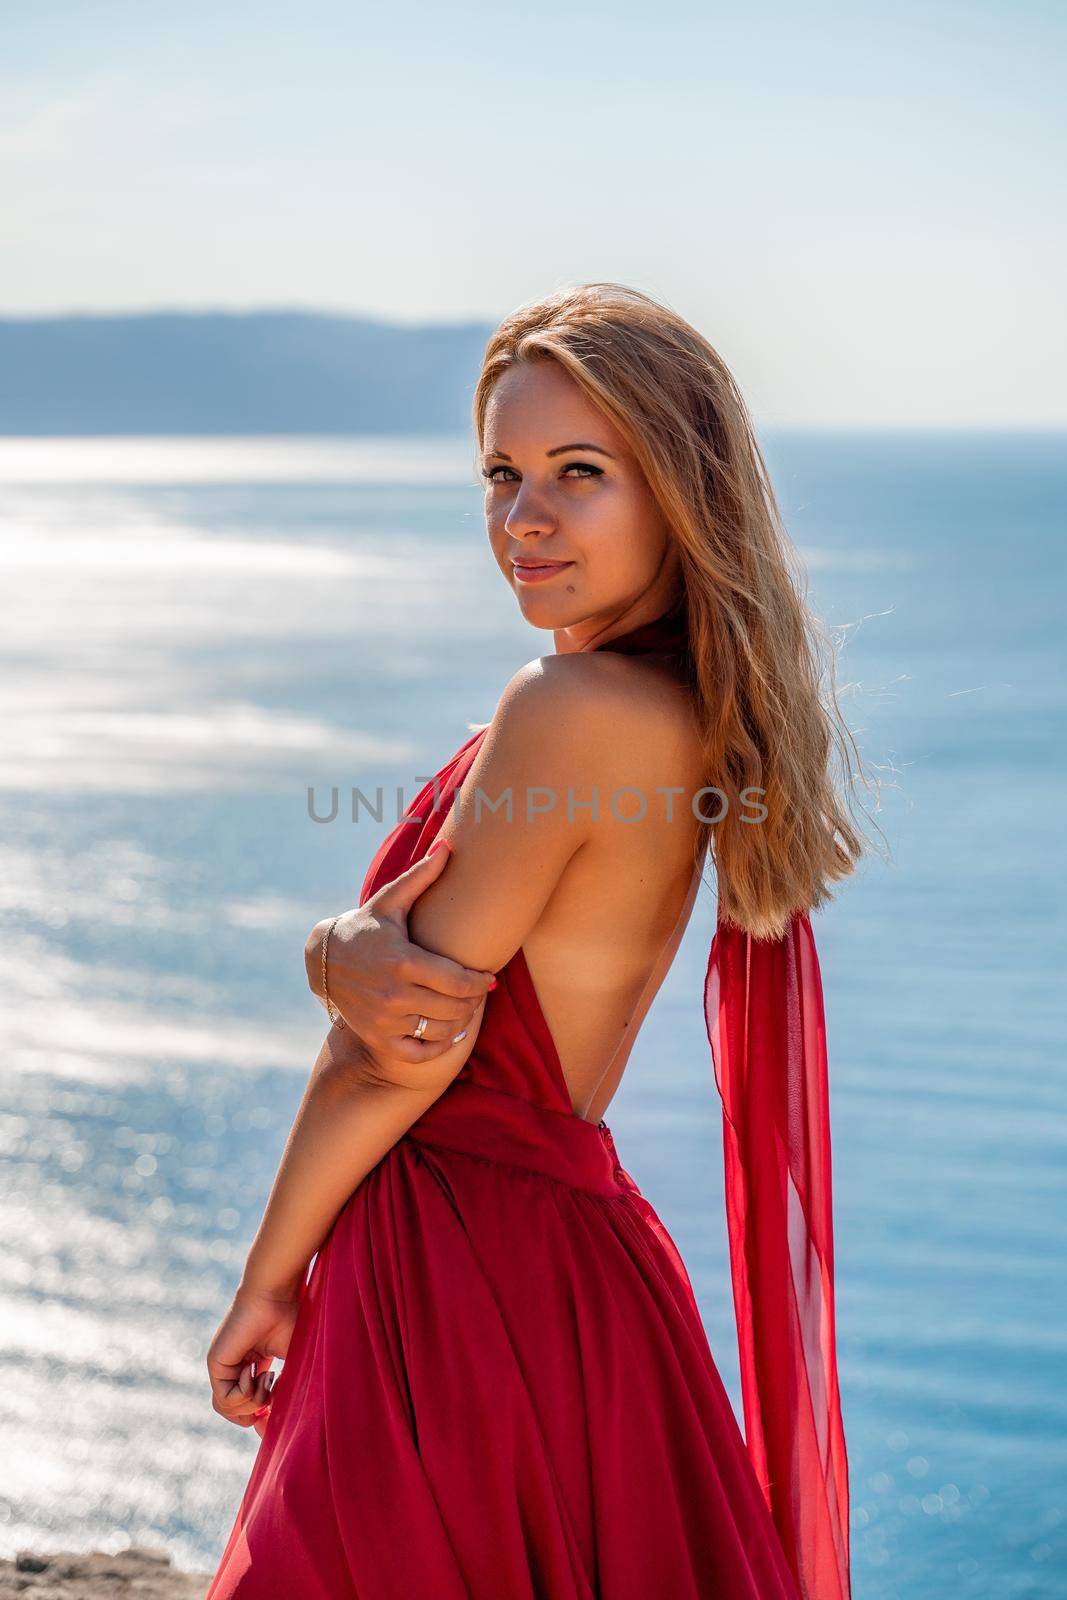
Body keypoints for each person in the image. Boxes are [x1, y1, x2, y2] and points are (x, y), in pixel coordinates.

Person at [204, 282, 871, 1599]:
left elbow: (393, 1054)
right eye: (502, 474)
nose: (525, 517)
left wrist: (265, 1282)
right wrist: (335, 948)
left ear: (679, 494)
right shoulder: (679, 711)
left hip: (445, 1272)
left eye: (581, 473)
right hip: (569, 1271)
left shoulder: (568, 707)